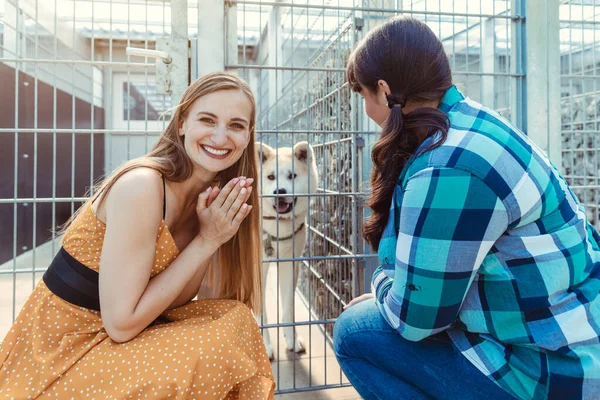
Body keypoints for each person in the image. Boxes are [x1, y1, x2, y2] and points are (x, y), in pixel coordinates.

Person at [333, 16, 600, 400]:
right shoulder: (471, 122)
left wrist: (379, 288)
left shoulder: (446, 166)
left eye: (363, 95)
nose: (366, 109)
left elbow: (415, 321)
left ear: (383, 89)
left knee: (354, 332)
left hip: (546, 373)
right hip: (570, 340)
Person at [0, 72, 275, 399]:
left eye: (236, 125)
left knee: (235, 319)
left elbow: (176, 300)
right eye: (207, 119)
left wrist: (209, 237)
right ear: (182, 123)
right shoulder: (143, 186)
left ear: (248, 136)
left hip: (117, 334)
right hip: (61, 351)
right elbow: (121, 324)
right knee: (210, 354)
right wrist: (207, 241)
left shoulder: (204, 200)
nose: (220, 136)